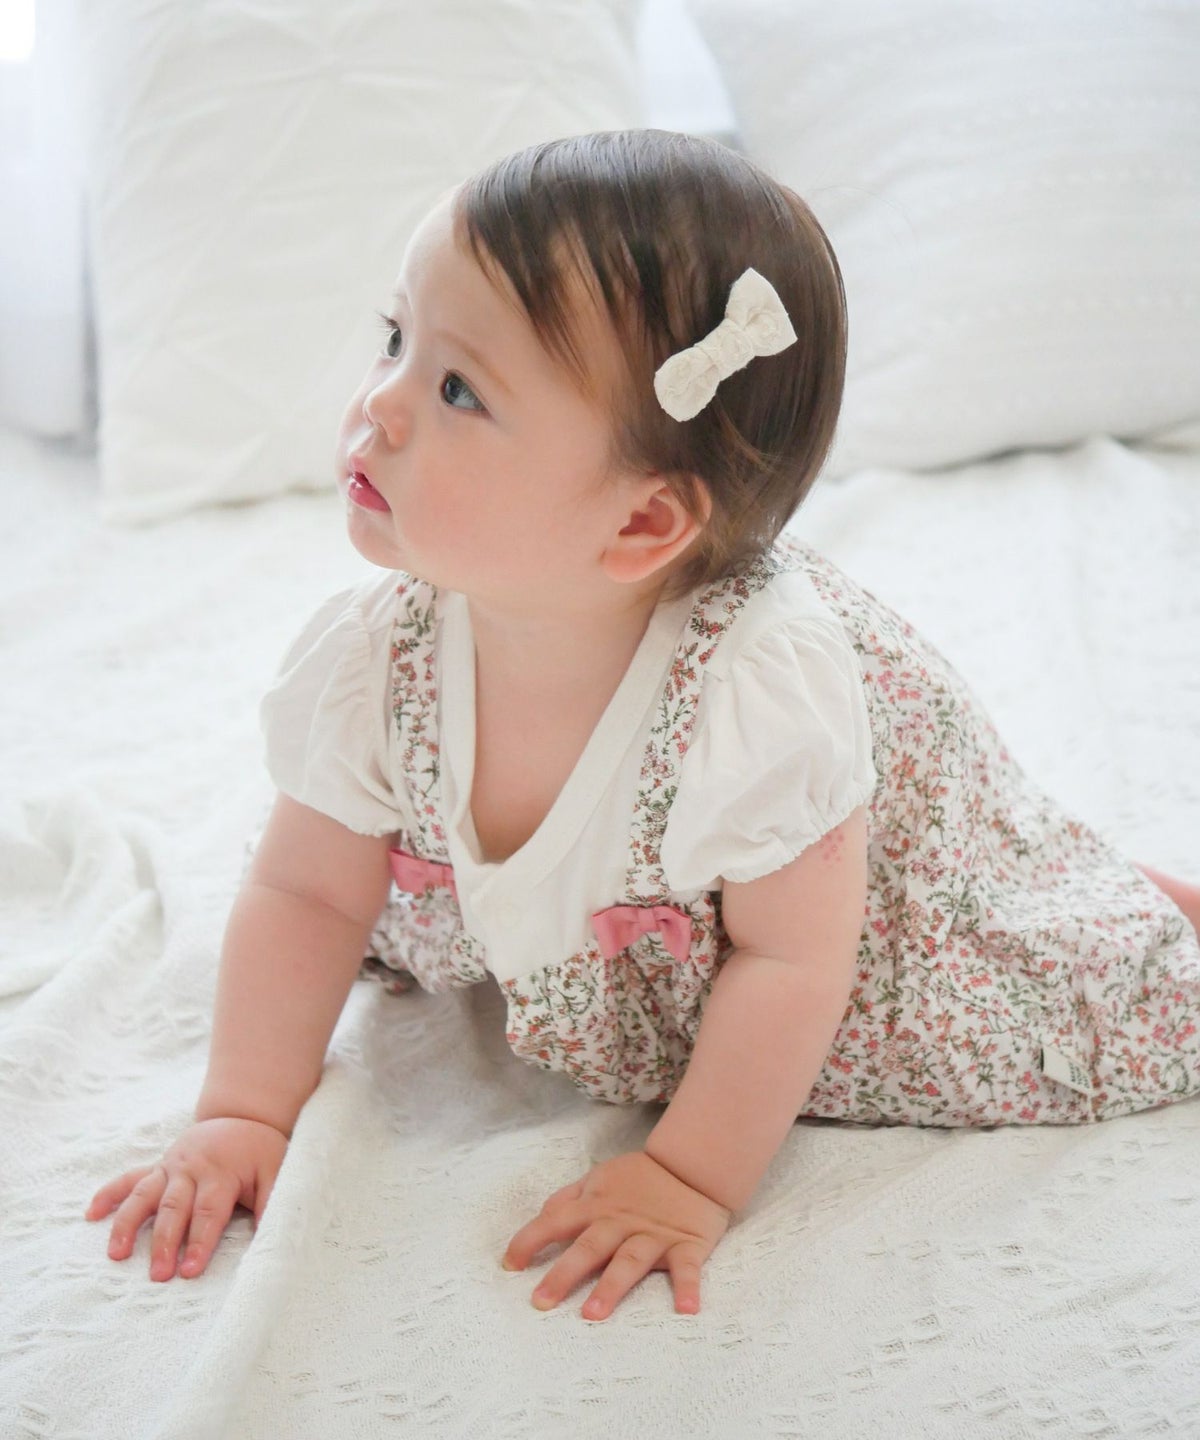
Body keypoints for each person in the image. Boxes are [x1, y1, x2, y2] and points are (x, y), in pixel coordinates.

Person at [85, 129, 1200, 1323]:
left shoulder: (758, 706)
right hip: (692, 867)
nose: (380, 406)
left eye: (458, 391)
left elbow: (789, 962)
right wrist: (243, 1111)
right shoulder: (377, 663)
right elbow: (307, 892)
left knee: (1002, 942)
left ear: (641, 525)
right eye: (397, 339)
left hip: (843, 884)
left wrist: (688, 1177)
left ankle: (1116, 896)